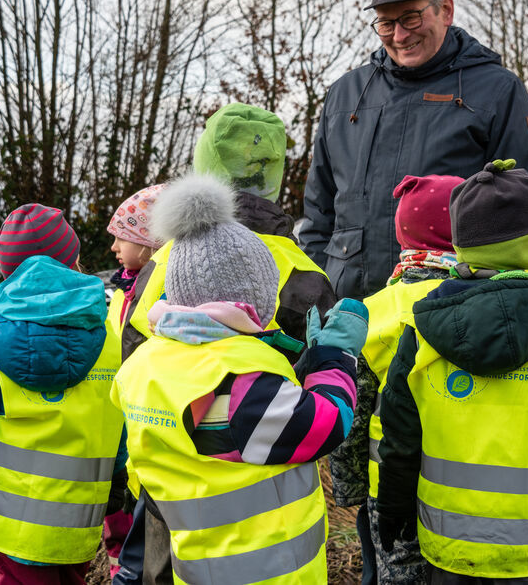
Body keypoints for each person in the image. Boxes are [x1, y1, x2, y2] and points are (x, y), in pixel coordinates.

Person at [111, 173, 368, 584]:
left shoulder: (143, 366)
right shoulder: (242, 381)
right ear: (255, 298)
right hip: (268, 571)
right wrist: (334, 358)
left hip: (196, 563)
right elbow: (328, 423)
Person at [377, 160, 528, 584]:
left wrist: (392, 508)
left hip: (448, 545)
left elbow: (400, 440)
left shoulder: (422, 331)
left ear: (462, 245)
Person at [302, 0, 528, 300]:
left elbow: (524, 210)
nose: (400, 35)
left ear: (445, 11)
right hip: (350, 306)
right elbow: (319, 211)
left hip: (451, 305)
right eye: (386, 23)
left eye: (410, 18)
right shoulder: (346, 94)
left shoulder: (497, 90)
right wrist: (315, 297)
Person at [0, 204, 128, 585]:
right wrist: (118, 478)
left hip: (10, 529)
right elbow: (116, 418)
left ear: (8, 272)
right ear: (72, 262)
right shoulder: (109, 337)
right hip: (79, 524)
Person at [329, 173, 464, 584]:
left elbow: (351, 413)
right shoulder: (483, 305)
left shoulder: (371, 312)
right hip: (466, 490)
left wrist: (349, 488)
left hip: (387, 488)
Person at [125, 102, 335, 364]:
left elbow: (132, 351)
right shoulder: (302, 270)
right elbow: (323, 370)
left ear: (203, 165)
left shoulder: (161, 261)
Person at [101, 184, 165, 582]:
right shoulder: (122, 290)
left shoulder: (158, 295)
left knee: (139, 526)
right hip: (117, 418)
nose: (113, 247)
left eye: (121, 237)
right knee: (117, 522)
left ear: (149, 241)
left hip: (144, 422)